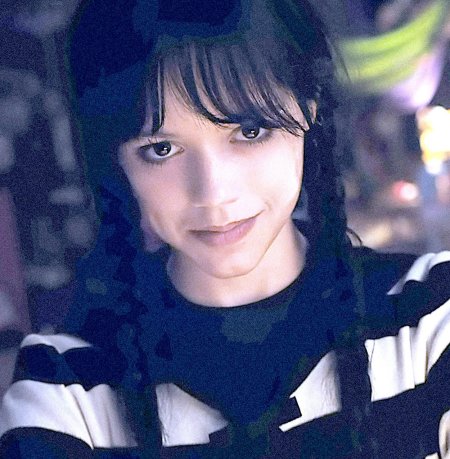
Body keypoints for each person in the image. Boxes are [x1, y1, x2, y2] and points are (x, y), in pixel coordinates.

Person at [0, 0, 449, 457]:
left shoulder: (432, 315)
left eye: (250, 131)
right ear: (118, 163)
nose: (214, 193)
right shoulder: (65, 387)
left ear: (308, 113)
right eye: (161, 149)